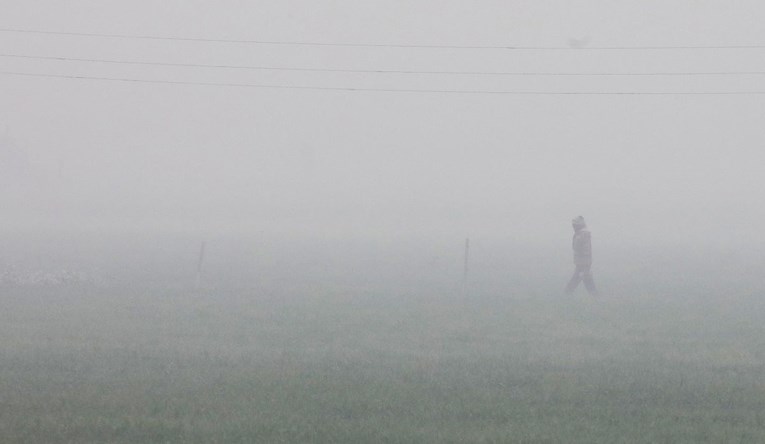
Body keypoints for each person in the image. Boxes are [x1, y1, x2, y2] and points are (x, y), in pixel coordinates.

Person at [565, 216, 599, 296]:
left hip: (583, 261)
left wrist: (584, 260)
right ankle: (594, 294)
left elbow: (584, 249)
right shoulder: (580, 234)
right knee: (584, 277)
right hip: (581, 261)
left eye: (575, 225)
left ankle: (568, 292)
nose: (574, 227)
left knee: (580, 277)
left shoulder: (583, 234)